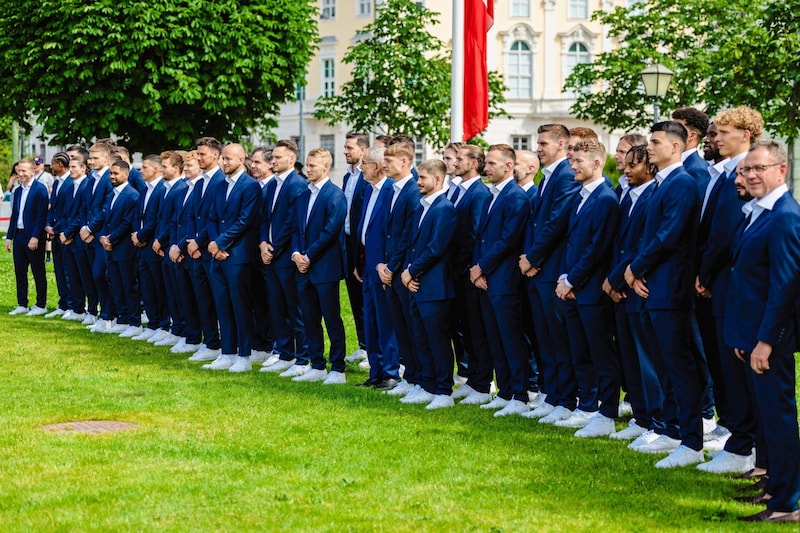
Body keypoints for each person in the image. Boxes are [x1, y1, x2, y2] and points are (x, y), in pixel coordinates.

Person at [724, 141, 800, 523]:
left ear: (781, 171)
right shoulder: (757, 212)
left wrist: (766, 341)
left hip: (772, 339)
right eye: (746, 169)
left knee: (778, 417)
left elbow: (784, 286)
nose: (750, 175)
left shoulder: (785, 216)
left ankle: (788, 503)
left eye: (759, 168)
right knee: (767, 417)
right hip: (752, 335)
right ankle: (772, 483)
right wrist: (745, 337)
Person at [624, 120, 704, 469]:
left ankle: (692, 440)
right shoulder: (661, 183)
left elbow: (668, 236)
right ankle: (671, 430)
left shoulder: (682, 183)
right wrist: (638, 273)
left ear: (676, 146)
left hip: (670, 286)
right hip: (653, 284)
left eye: (655, 141)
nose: (649, 147)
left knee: (679, 366)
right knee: (665, 364)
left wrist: (635, 268)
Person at [696, 106, 764, 471]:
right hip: (714, 281)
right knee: (721, 364)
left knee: (733, 367)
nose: (715, 138)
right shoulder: (718, 174)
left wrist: (704, 275)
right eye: (715, 132)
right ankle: (734, 430)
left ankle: (742, 444)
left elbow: (723, 232)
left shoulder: (743, 173)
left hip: (726, 281)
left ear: (745, 134)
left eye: (723, 132)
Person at [554, 140, 620, 436]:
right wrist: (564, 277)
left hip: (591, 290)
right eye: (572, 161)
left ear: (596, 163)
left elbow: (598, 248)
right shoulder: (581, 196)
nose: (573, 166)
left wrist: (572, 280)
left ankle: (606, 412)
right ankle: (588, 405)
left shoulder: (605, 198)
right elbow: (572, 243)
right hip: (574, 287)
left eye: (579, 161)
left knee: (600, 354)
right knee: (579, 350)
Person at [520, 124, 580, 423]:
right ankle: (552, 392)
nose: (538, 147)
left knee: (557, 338)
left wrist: (533, 257)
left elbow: (556, 223)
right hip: (539, 270)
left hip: (551, 267)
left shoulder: (566, 175)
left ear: (561, 144)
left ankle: (564, 398)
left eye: (543, 142)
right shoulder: (550, 176)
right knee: (545, 337)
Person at [604, 144, 661, 441]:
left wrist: (619, 279)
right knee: (630, 356)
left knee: (647, 359)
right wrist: (613, 282)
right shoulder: (627, 198)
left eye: (632, 165)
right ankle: (641, 415)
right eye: (625, 164)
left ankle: (656, 419)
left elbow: (642, 246)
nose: (625, 170)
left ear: (650, 167)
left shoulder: (653, 197)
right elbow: (618, 243)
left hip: (638, 286)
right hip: (621, 288)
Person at [470, 144, 530, 417]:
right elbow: (481, 237)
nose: (486, 168)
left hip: (505, 279)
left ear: (508, 166)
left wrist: (482, 267)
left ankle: (519, 393)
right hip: (487, 278)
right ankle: (505, 391)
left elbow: (508, 240)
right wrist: (479, 270)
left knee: (510, 339)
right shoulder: (493, 195)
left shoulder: (515, 197)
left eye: (492, 163)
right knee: (494, 337)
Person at [400, 159, 457, 409]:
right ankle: (426, 384)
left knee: (437, 340)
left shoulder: (444, 208)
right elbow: (414, 244)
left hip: (435, 285)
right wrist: (409, 273)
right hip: (418, 283)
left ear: (437, 179)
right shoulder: (422, 207)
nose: (418, 182)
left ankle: (444, 391)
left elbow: (437, 247)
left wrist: (412, 271)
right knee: (420, 337)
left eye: (423, 178)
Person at [290, 148, 348, 383]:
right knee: (309, 318)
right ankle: (317, 364)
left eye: (313, 165)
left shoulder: (335, 195)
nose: (308, 169)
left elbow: (330, 231)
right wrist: (296, 254)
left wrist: (308, 256)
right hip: (303, 267)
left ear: (325, 167)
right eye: (308, 164)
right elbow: (295, 228)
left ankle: (338, 367)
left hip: (324, 268)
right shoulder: (303, 195)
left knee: (331, 317)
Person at [202, 143, 262, 372]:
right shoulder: (219, 185)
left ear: (240, 159)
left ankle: (244, 355)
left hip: (238, 255)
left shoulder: (250, 187)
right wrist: (215, 244)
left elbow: (245, 221)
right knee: (222, 305)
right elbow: (212, 217)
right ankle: (227, 352)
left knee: (240, 306)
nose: (224, 162)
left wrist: (221, 242)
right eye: (223, 159)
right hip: (218, 254)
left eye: (228, 159)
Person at [259, 140, 310, 375]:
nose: (273, 161)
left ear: (291, 159)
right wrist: (262, 243)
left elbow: (293, 223)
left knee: (294, 308)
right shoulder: (271, 186)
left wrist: (274, 247)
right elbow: (263, 219)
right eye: (273, 158)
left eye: (278, 157)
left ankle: (303, 357)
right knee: (276, 307)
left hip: (286, 256)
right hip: (269, 255)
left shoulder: (298, 185)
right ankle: (285, 353)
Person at [375, 140, 420, 399]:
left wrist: (391, 267)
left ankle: (418, 378)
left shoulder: (412, 191)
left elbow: (405, 235)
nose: (384, 166)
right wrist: (383, 264)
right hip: (390, 269)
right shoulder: (392, 189)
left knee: (411, 329)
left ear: (404, 162)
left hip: (402, 271)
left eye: (389, 161)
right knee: (400, 327)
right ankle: (410, 375)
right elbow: (387, 231)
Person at [448, 145, 493, 405]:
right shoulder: (459, 190)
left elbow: (475, 234)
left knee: (477, 330)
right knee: (465, 328)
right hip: (456, 271)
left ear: (475, 163)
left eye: (461, 159)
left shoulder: (478, 193)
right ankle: (472, 378)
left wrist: (469, 268)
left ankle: (482, 383)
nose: (455, 162)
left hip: (468, 272)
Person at [354, 146, 400, 389]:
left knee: (385, 321)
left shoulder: (390, 191)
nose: (362, 167)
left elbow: (392, 232)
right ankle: (376, 371)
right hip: (368, 263)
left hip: (382, 266)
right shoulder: (368, 190)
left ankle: (391, 371)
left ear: (378, 166)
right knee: (370, 320)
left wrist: (388, 266)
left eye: (366, 163)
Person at [99, 160, 142, 337]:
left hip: (124, 247)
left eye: (116, 173)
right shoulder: (111, 195)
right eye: (111, 173)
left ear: (126, 174)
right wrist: (103, 237)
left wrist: (112, 238)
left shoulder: (132, 195)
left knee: (129, 285)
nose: (112, 177)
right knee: (115, 283)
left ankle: (134, 321)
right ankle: (122, 318)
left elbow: (127, 222)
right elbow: (105, 217)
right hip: (111, 247)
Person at [5, 158, 49, 316]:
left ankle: (41, 304)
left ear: (33, 171)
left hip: (33, 236)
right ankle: (22, 303)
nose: (20, 174)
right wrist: (9, 237)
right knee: (20, 271)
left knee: (38, 271)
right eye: (18, 170)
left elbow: (41, 215)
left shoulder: (40, 189)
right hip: (20, 235)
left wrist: (36, 236)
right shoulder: (17, 191)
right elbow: (14, 215)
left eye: (24, 171)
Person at [341, 133, 370, 364]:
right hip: (348, 240)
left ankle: (371, 347)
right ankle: (362, 345)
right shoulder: (346, 177)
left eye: (350, 147)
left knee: (364, 293)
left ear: (363, 149)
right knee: (353, 294)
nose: (345, 151)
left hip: (363, 242)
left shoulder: (367, 176)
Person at [44, 152, 74, 318]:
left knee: (68, 270)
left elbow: (68, 211)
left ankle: (71, 304)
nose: (51, 166)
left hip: (64, 232)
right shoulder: (56, 183)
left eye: (53, 164)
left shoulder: (70, 183)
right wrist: (48, 225)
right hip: (54, 231)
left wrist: (57, 229)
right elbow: (53, 207)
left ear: (60, 165)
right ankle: (63, 303)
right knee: (59, 270)